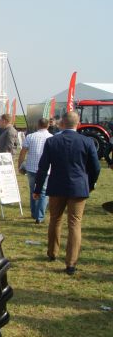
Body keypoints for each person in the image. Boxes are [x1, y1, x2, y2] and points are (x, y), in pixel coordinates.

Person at [33, 111, 101, 275]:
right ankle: (71, 263)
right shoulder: (87, 141)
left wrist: (37, 189)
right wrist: (90, 183)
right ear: (78, 123)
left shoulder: (52, 141)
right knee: (74, 224)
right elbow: (96, 167)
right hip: (78, 187)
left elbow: (42, 168)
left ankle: (52, 253)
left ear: (62, 123)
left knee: (55, 220)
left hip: (57, 186)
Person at [18, 118, 52, 223]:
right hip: (46, 169)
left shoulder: (30, 136)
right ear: (48, 126)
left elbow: (23, 152)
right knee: (43, 192)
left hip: (31, 167)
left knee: (33, 190)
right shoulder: (52, 137)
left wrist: (20, 165)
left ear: (38, 125)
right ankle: (40, 216)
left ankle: (34, 212)